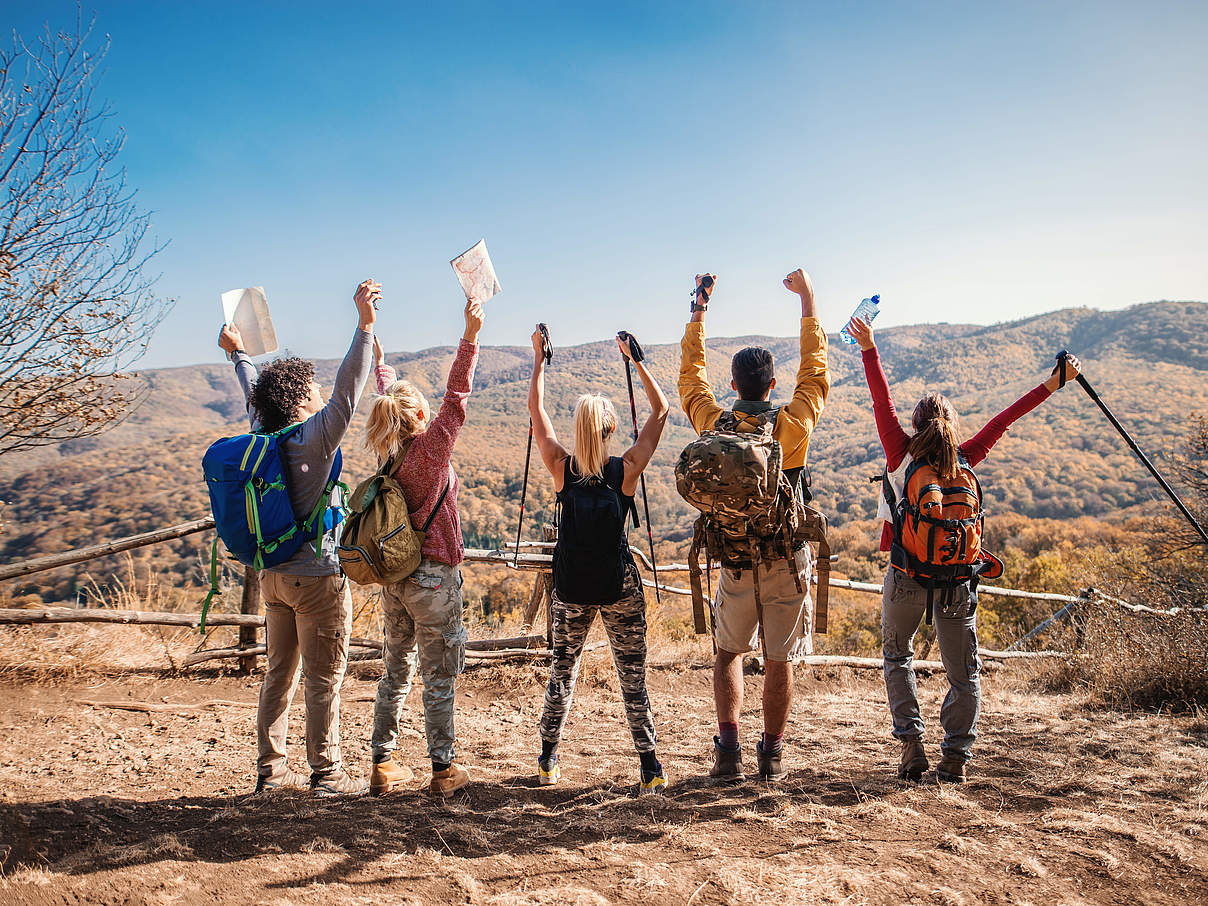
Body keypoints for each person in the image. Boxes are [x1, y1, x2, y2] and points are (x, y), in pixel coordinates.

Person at [846, 315, 1082, 783]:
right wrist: (1054, 384)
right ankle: (955, 756)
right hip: (957, 581)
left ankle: (912, 748)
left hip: (906, 576)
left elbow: (880, 398)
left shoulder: (900, 452)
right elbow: (1005, 418)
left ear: (916, 424)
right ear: (952, 426)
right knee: (963, 672)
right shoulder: (967, 457)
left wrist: (869, 346)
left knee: (898, 658)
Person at [217, 278, 380, 795]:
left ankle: (270, 773)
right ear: (300, 399)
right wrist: (365, 326)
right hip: (316, 580)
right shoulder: (316, 437)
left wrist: (239, 355)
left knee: (278, 676)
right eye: (310, 389)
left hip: (273, 579)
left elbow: (251, 390)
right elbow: (349, 392)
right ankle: (325, 774)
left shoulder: (261, 435)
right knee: (323, 680)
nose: (317, 393)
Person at [678, 269, 830, 783]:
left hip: (735, 558)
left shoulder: (712, 423)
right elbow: (816, 375)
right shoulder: (791, 427)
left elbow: (689, 380)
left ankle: (728, 751)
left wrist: (699, 310)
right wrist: (808, 299)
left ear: (735, 386)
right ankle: (773, 756)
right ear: (770, 385)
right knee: (779, 658)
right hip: (786, 559)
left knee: (727, 653)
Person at [529, 326, 670, 793]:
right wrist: (636, 360)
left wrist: (539, 360)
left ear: (577, 431)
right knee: (632, 675)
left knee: (562, 671)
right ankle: (649, 767)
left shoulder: (559, 467)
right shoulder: (625, 471)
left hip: (571, 586)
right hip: (619, 587)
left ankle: (548, 760)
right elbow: (662, 411)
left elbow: (536, 411)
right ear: (610, 429)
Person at [363, 297, 484, 799]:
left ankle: (383, 765)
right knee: (438, 674)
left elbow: (389, 396)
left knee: (396, 668)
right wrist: (470, 334)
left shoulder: (390, 447)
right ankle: (442, 771)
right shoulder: (430, 451)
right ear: (418, 414)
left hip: (395, 579)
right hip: (435, 578)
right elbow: (457, 394)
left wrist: (379, 361)